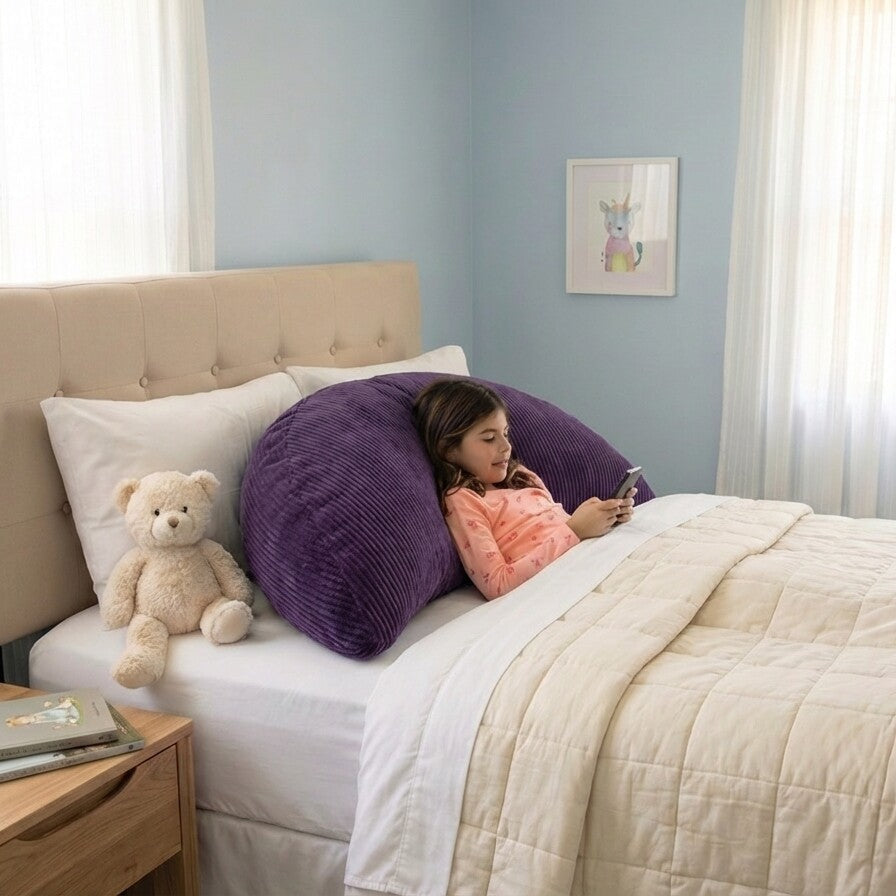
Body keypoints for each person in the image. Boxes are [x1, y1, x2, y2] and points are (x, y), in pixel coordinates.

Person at [413, 378, 635, 600]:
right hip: (562, 583)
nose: (506, 446)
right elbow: (498, 584)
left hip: (590, 559)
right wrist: (575, 530)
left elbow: (556, 528)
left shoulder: (521, 476)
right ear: (449, 450)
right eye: (489, 438)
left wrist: (605, 517)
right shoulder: (464, 500)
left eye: (506, 433)